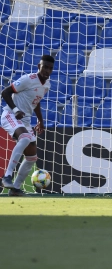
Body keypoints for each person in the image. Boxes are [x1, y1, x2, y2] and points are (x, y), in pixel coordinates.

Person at [1, 55, 55, 196]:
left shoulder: (47, 85)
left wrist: (40, 121)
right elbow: (5, 92)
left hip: (24, 121)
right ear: (39, 66)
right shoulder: (28, 79)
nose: (47, 70)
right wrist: (15, 109)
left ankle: (16, 189)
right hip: (10, 115)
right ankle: (7, 176)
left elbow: (35, 102)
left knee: (32, 157)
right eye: (45, 67)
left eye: (50, 68)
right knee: (24, 138)